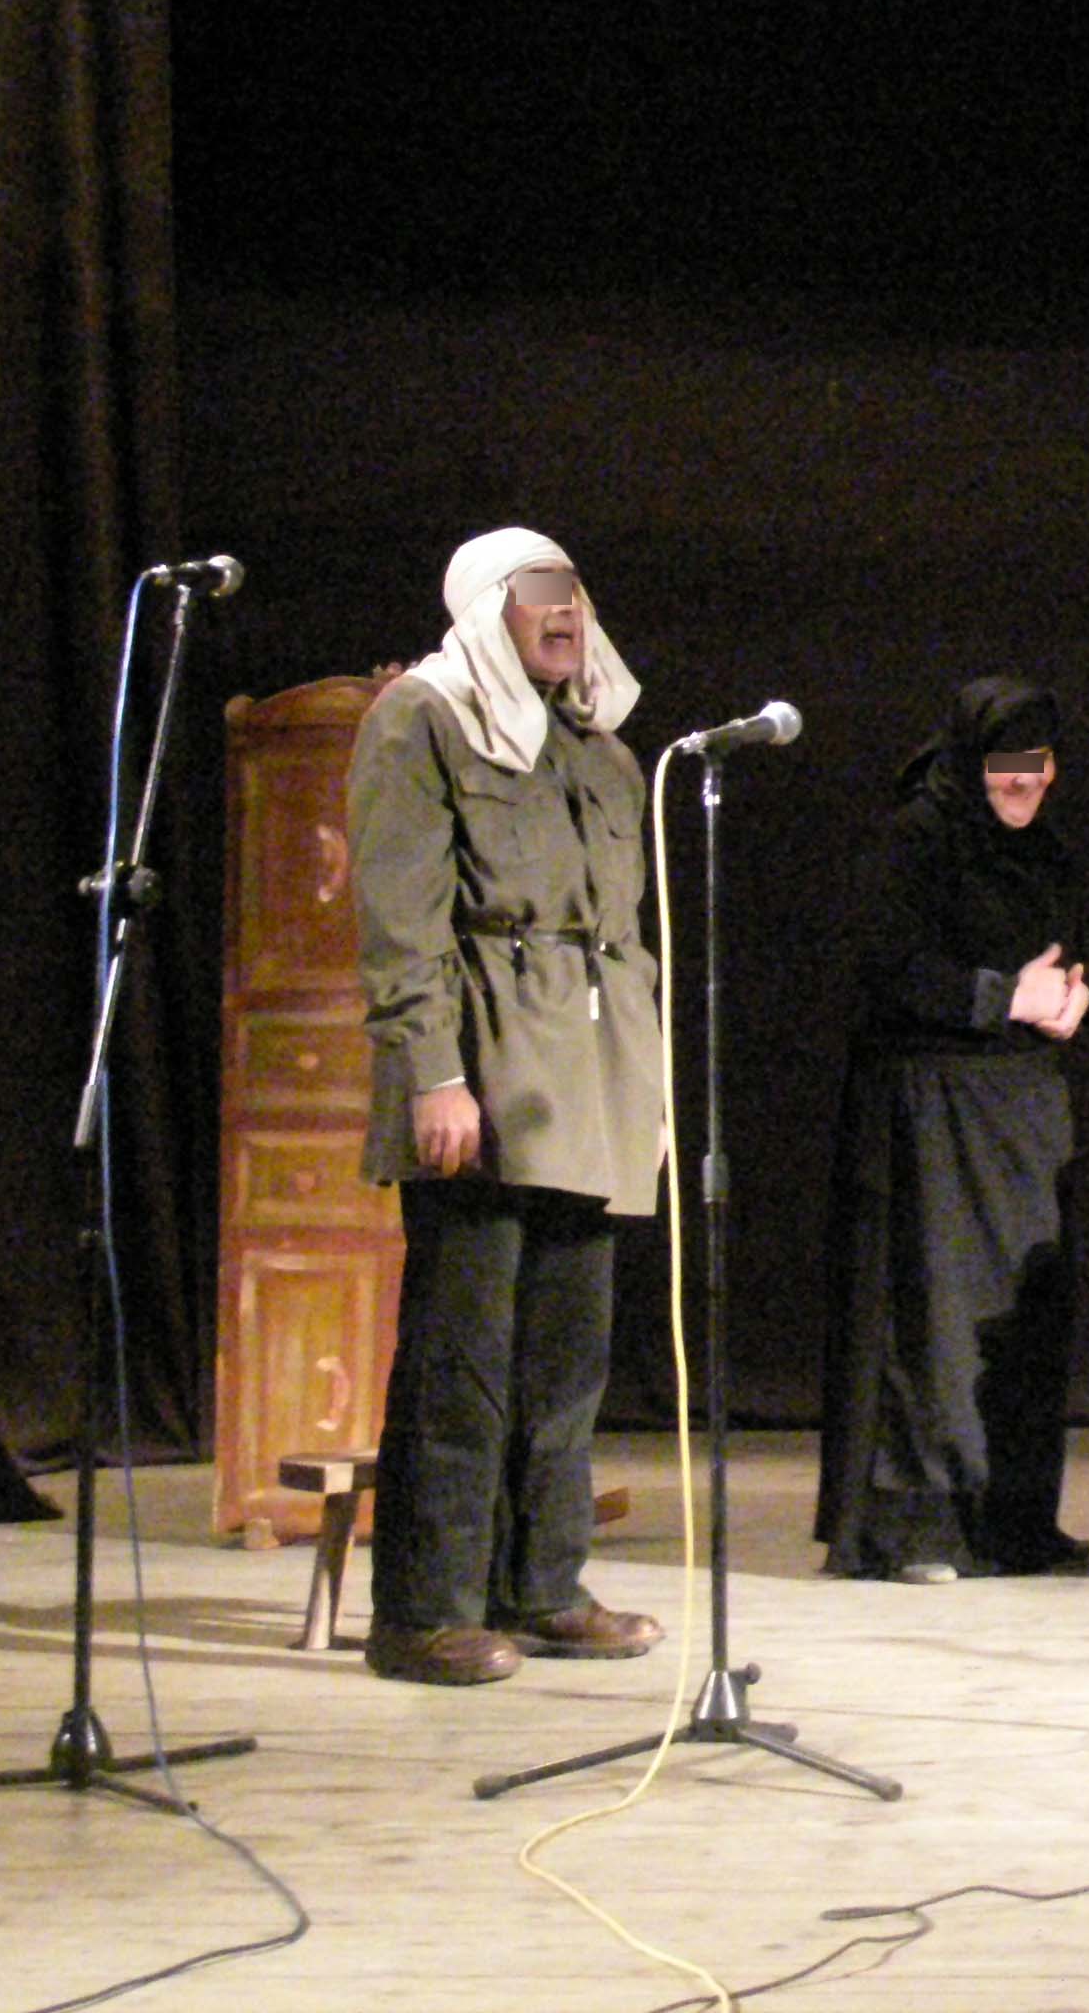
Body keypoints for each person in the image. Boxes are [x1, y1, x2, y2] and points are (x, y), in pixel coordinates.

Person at [349, 528, 667, 1686]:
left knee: (567, 1359)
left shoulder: (601, 749)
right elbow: (401, 917)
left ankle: (541, 1587)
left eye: (575, 590)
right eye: (540, 592)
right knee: (463, 1355)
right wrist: (434, 1074)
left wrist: (644, 1094)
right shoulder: (423, 719)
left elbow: (622, 936)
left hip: (591, 1079)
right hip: (485, 1067)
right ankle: (425, 1609)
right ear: (490, 606)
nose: (566, 610)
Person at [816, 676, 1089, 1584]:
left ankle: (1013, 1521)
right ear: (974, 760)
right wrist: (1000, 996)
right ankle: (917, 1530)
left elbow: (1060, 961)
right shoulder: (918, 839)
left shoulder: (1045, 855)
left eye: (1040, 760)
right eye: (1008, 760)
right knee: (935, 1320)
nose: (1026, 779)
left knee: (1022, 1320)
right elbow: (881, 968)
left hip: (1022, 1108)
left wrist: (1071, 998)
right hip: (932, 1110)